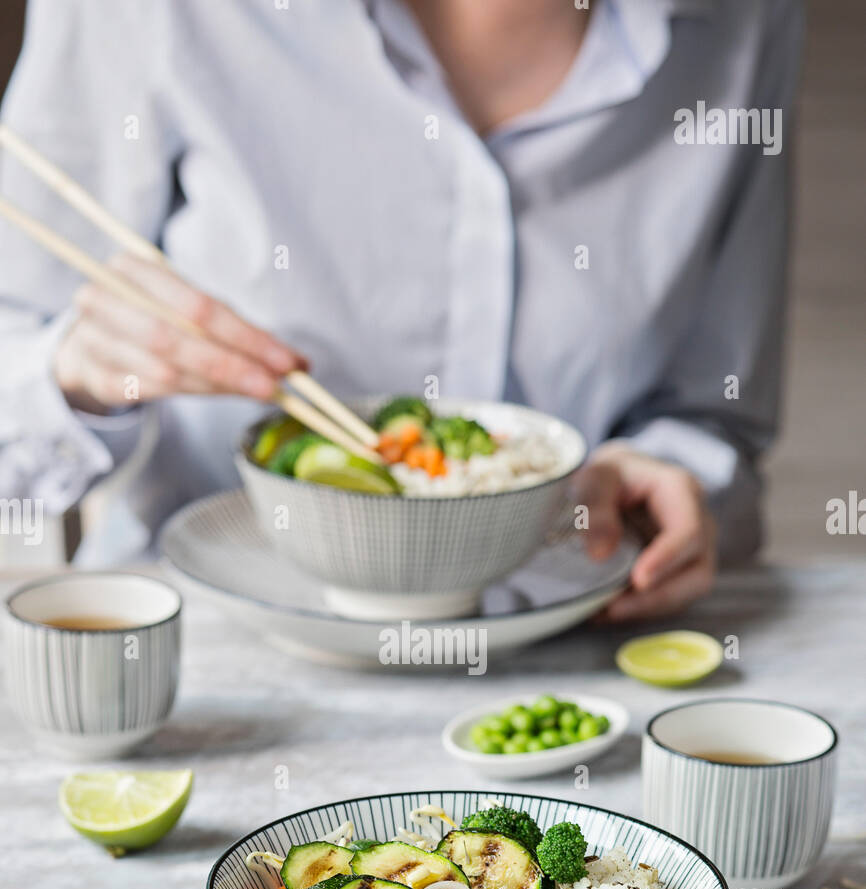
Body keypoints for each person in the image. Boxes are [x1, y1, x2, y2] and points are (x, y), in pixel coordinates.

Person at [0, 0, 802, 618]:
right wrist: (79, 376)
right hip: (202, 656)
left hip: (572, 643)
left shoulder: (743, 23)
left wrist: (666, 477)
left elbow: (717, 414)